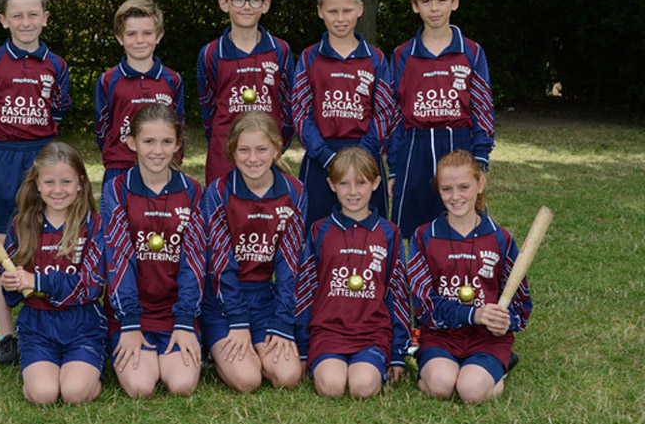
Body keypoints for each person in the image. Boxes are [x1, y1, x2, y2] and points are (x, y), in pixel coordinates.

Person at [0, 0, 71, 365]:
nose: (26, 22)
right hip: (2, 159)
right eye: (17, 16)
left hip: (41, 157)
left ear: (44, 18)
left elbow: (55, 115)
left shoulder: (56, 65)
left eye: (33, 14)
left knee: (44, 237)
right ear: (3, 20)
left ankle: (42, 320)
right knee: (1, 242)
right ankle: (5, 333)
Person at [407, 149, 532, 403]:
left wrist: (506, 321)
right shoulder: (424, 236)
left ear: (480, 184)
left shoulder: (501, 238)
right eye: (446, 189)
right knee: (441, 386)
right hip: (440, 334)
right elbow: (423, 305)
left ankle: (501, 362)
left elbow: (521, 303)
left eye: (464, 187)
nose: (456, 197)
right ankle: (434, 364)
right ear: (438, 190)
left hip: (486, 338)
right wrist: (473, 314)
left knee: (471, 392)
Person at [196, 110, 306, 392]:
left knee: (288, 377)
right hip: (223, 303)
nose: (253, 158)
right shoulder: (218, 192)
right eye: (244, 150)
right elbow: (220, 263)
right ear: (232, 152)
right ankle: (213, 346)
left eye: (261, 149)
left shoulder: (294, 191)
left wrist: (283, 320)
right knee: (248, 380)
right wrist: (237, 321)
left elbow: (289, 263)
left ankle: (256, 346)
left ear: (277, 149)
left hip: (265, 300)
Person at [102, 104, 205, 398]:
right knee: (140, 387)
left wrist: (185, 322)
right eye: (148, 141)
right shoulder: (116, 189)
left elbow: (195, 261)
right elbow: (117, 259)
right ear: (132, 142)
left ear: (178, 144)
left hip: (176, 313)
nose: (157, 150)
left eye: (167, 142)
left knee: (182, 384)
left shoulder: (194, 192)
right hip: (130, 314)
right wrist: (130, 324)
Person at [387, 0, 495, 239]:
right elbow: (394, 114)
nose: (434, 9)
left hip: (457, 143)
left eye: (441, 0)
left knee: (462, 224)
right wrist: (394, 168)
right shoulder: (402, 54)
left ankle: (456, 279)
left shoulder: (471, 51)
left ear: (454, 2)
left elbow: (482, 107)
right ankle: (411, 281)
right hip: (415, 147)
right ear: (415, 6)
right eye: (426, 1)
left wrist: (480, 156)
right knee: (408, 230)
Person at [298, 147, 411, 398]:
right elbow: (305, 291)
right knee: (331, 387)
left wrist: (397, 354)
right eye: (344, 183)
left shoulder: (389, 232)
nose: (352, 192)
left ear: (375, 183)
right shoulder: (320, 230)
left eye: (361, 183)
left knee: (362, 388)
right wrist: (304, 348)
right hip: (328, 331)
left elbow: (398, 294)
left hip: (372, 332)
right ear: (331, 184)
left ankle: (373, 361)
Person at [0, 142, 106, 405]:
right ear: (37, 184)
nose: (57, 190)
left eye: (66, 181)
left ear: (80, 183)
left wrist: (38, 281)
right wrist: (9, 281)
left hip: (83, 326)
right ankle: (44, 371)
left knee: (74, 393)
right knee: (43, 395)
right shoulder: (22, 224)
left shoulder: (93, 224)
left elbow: (91, 286)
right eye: (49, 182)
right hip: (38, 327)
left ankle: (90, 372)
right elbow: (11, 281)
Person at [293, 0, 394, 229]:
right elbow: (300, 113)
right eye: (332, 11)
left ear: (359, 10)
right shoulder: (309, 57)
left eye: (347, 10)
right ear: (320, 12)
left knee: (371, 234)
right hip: (321, 159)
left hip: (365, 156)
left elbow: (383, 113)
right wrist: (326, 157)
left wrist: (362, 154)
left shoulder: (376, 58)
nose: (340, 18)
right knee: (315, 233)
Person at [197, 0, 295, 185]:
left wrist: (277, 145)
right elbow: (208, 110)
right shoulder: (211, 53)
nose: (247, 7)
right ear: (225, 3)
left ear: (265, 4)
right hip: (224, 154)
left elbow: (287, 104)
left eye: (255, 0)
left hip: (266, 153)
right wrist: (222, 143)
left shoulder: (280, 50)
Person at [95, 0, 184, 190]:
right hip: (119, 168)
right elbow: (102, 129)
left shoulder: (172, 79)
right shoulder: (108, 80)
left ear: (158, 36)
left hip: (162, 166)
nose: (140, 40)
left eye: (147, 33)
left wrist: (172, 159)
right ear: (119, 37)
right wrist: (118, 155)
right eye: (131, 34)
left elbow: (179, 124)